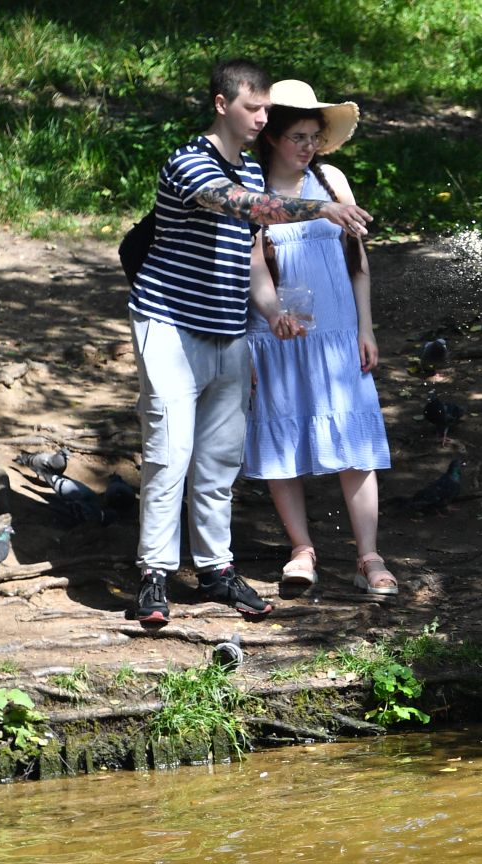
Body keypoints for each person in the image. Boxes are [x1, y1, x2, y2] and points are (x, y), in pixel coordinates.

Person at [126, 57, 373, 626]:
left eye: (267, 108)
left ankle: (214, 570)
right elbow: (243, 207)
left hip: (228, 328)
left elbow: (249, 261)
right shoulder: (189, 163)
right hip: (168, 322)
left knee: (219, 457)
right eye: (253, 107)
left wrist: (274, 312)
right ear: (222, 105)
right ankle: (155, 576)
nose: (263, 117)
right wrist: (322, 207)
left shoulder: (256, 172)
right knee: (169, 451)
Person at [244, 80, 397, 598]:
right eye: (297, 136)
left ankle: (368, 555)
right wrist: (271, 317)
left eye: (314, 135)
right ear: (272, 138)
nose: (308, 147)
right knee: (282, 434)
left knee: (355, 446)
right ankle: (301, 550)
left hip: (336, 331)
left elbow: (358, 262)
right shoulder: (253, 187)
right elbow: (251, 267)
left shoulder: (331, 181)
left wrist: (365, 326)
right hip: (280, 333)